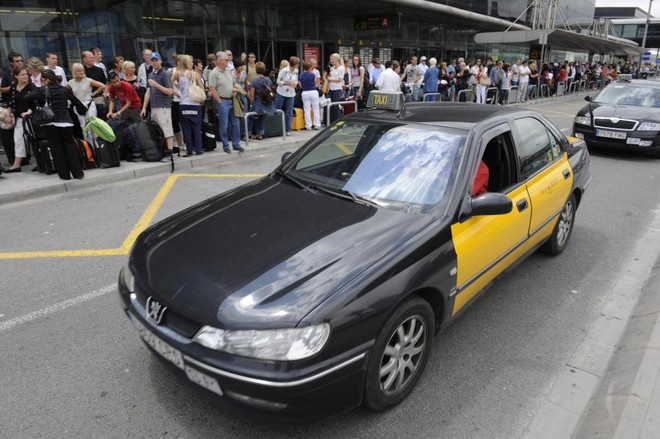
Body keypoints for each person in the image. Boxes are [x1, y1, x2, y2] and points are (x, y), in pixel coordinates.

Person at [23, 69, 88, 180]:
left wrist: (36, 106)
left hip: (49, 123)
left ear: (46, 79)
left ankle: (64, 175)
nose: (42, 82)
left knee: (56, 149)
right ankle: (78, 173)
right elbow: (76, 102)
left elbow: (27, 97)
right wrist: (82, 109)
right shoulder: (63, 90)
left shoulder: (41, 90)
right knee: (70, 147)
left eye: (42, 80)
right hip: (65, 122)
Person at [140, 52, 175, 154]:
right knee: (157, 129)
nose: (154, 62)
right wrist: (144, 107)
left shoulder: (165, 74)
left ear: (160, 60)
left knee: (167, 128)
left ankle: (170, 150)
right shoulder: (150, 74)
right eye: (152, 60)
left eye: (156, 60)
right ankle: (163, 149)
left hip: (163, 106)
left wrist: (156, 85)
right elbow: (148, 91)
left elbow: (169, 91)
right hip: (154, 106)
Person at [208, 50, 243, 153]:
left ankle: (236, 144)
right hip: (223, 101)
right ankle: (225, 145)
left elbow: (233, 83)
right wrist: (219, 101)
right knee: (224, 124)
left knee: (235, 123)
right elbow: (212, 88)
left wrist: (235, 92)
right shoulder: (214, 73)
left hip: (232, 100)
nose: (229, 61)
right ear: (220, 61)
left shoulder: (228, 71)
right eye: (226, 59)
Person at [4, 66, 36, 172]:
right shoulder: (13, 87)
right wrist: (8, 115)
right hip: (19, 117)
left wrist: (28, 111)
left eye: (26, 74)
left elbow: (36, 103)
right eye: (22, 74)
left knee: (34, 140)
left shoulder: (31, 87)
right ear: (16, 76)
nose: (25, 76)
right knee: (18, 140)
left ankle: (41, 162)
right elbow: (10, 103)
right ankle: (16, 165)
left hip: (31, 117)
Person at [172, 54, 205, 156]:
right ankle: (198, 149)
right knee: (196, 127)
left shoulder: (177, 73)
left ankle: (189, 149)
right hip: (195, 103)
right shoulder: (195, 74)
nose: (192, 63)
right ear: (186, 62)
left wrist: (177, 93)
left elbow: (168, 85)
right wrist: (202, 99)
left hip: (183, 103)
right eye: (190, 61)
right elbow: (202, 88)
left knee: (186, 128)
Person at [67, 63, 105, 142]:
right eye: (79, 71)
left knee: (92, 125)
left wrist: (93, 94)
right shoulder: (70, 82)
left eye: (82, 70)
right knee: (83, 126)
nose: (81, 72)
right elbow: (64, 91)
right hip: (78, 105)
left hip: (89, 103)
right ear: (74, 72)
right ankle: (88, 147)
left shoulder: (88, 80)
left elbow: (102, 86)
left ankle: (96, 146)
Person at [0, 51, 24, 167]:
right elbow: (2, 89)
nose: (19, 63)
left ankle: (23, 158)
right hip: (8, 107)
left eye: (21, 60)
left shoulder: (24, 72)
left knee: (21, 135)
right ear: (11, 63)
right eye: (17, 61)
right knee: (8, 135)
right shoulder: (7, 75)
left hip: (20, 106)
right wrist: (13, 86)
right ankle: (12, 159)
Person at [248, 62, 276, 140]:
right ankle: (260, 134)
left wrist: (251, 103)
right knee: (262, 117)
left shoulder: (254, 81)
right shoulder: (268, 79)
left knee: (250, 117)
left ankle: (248, 134)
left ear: (256, 70)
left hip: (258, 103)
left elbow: (252, 94)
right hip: (267, 103)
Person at [275, 56, 299, 136]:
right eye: (297, 63)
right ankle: (277, 128)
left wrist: (295, 83)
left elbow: (295, 80)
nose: (298, 65)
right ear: (294, 64)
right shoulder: (284, 71)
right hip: (281, 92)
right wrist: (287, 83)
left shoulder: (296, 71)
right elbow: (278, 81)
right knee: (278, 109)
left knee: (289, 111)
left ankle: (288, 129)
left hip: (291, 92)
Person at [299, 60, 321, 130]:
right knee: (316, 109)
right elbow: (315, 83)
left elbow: (300, 85)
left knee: (307, 110)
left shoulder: (301, 75)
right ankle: (317, 125)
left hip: (305, 92)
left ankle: (308, 126)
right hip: (313, 91)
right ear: (309, 68)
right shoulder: (312, 74)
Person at [326, 53, 345, 124]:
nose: (331, 61)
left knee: (336, 105)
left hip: (337, 89)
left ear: (337, 60)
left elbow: (340, 79)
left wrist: (331, 79)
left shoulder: (341, 68)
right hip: (331, 88)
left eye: (332, 59)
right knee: (331, 106)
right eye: (330, 59)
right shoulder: (332, 68)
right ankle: (332, 121)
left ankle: (338, 121)